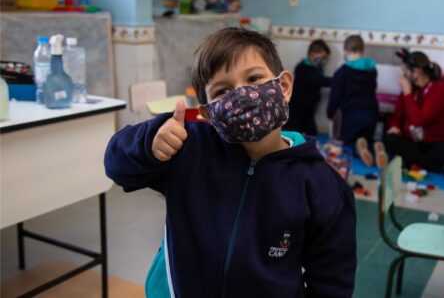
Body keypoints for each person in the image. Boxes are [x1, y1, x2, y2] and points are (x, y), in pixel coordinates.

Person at [104, 28, 356, 297]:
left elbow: (332, 282)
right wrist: (150, 142)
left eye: (254, 78)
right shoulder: (190, 149)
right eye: (223, 91)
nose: (242, 94)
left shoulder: (322, 186)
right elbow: (117, 167)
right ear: (209, 114)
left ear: (283, 87)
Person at [383, 49, 444, 176]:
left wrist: (407, 92)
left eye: (405, 72)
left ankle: (414, 161)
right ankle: (440, 167)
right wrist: (394, 126)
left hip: (436, 145)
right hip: (413, 143)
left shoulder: (441, 88)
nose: (402, 77)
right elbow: (396, 116)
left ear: (416, 71)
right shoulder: (410, 90)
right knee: (389, 138)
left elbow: (419, 120)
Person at [326, 35, 385, 167]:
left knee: (349, 143)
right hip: (371, 112)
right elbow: (373, 87)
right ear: (362, 51)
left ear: (345, 51)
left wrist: (330, 113)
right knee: (367, 140)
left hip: (352, 115)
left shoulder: (342, 72)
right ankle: (376, 149)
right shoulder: (372, 69)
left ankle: (359, 149)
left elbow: (335, 96)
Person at [284, 39, 332, 135]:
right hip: (296, 112)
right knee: (294, 137)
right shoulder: (302, 68)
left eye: (325, 59)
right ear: (312, 54)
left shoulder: (316, 69)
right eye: (322, 58)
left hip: (307, 112)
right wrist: (340, 79)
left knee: (312, 135)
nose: (323, 61)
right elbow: (320, 80)